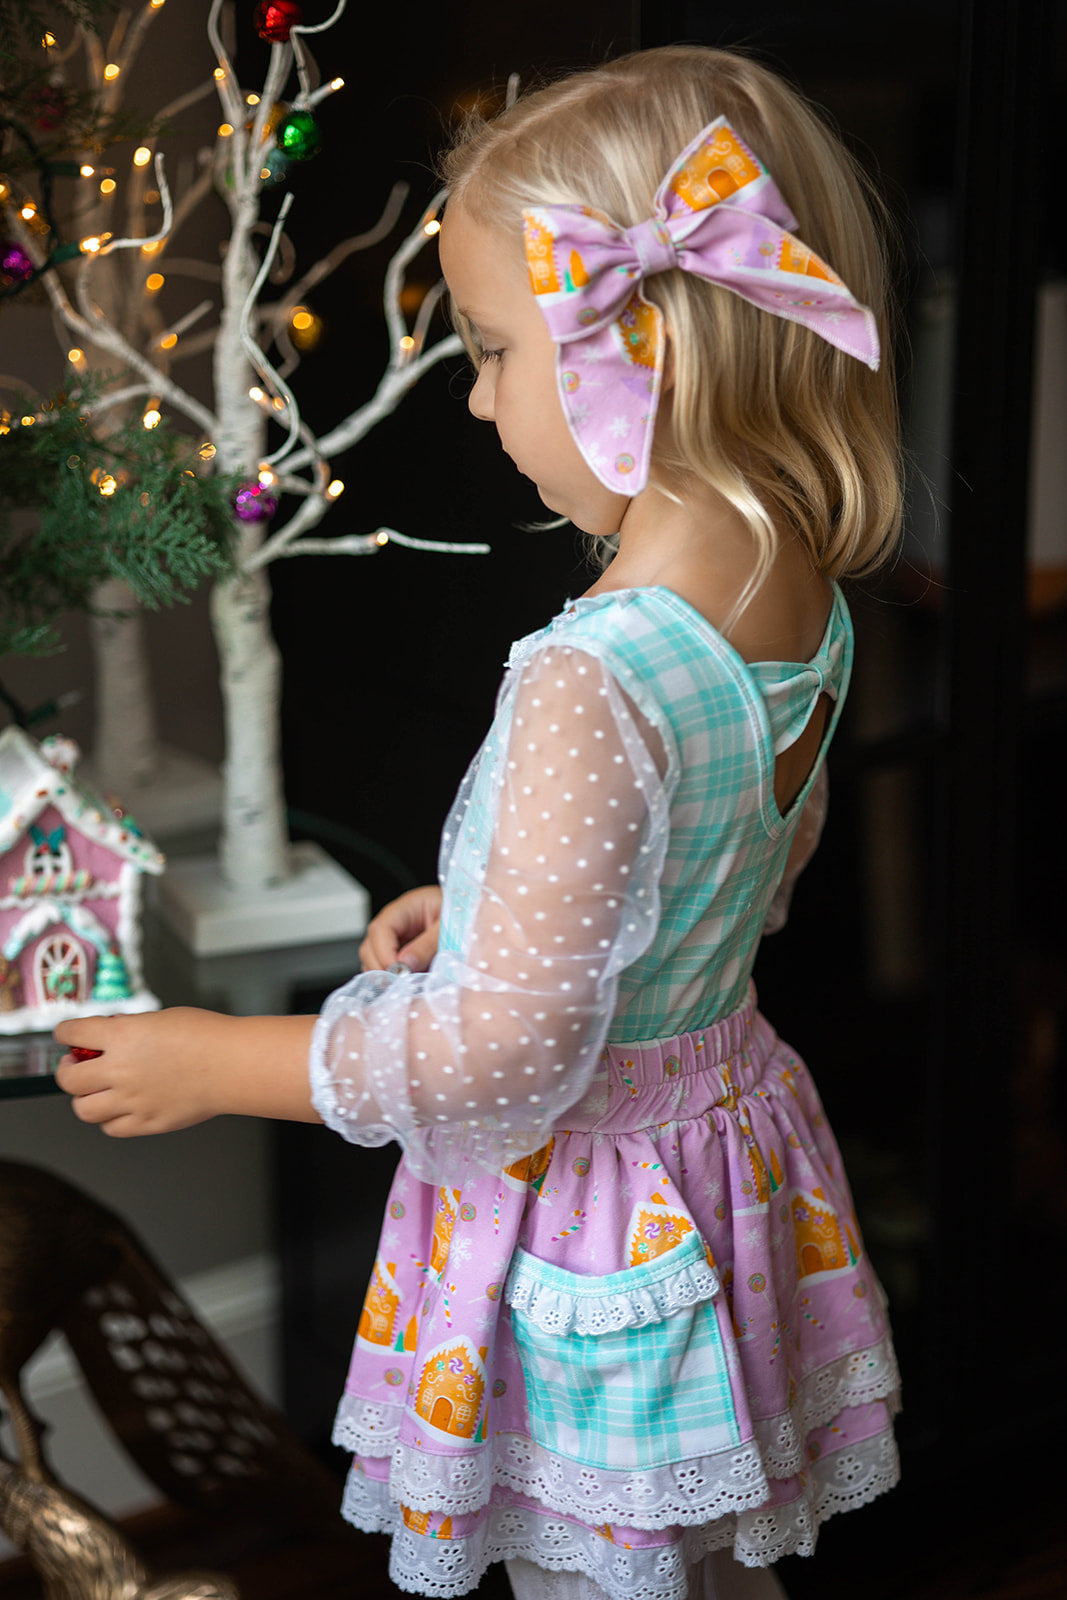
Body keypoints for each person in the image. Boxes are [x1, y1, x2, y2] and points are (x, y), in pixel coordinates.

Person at [55, 44, 904, 1600]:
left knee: (610, 1578)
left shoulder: (596, 667)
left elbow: (503, 1059)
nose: (474, 391)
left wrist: (221, 1062)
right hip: (727, 1168)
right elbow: (737, 867)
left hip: (594, 1221)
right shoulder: (798, 584)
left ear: (642, 348)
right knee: (698, 1564)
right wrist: (501, 904)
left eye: (497, 348)